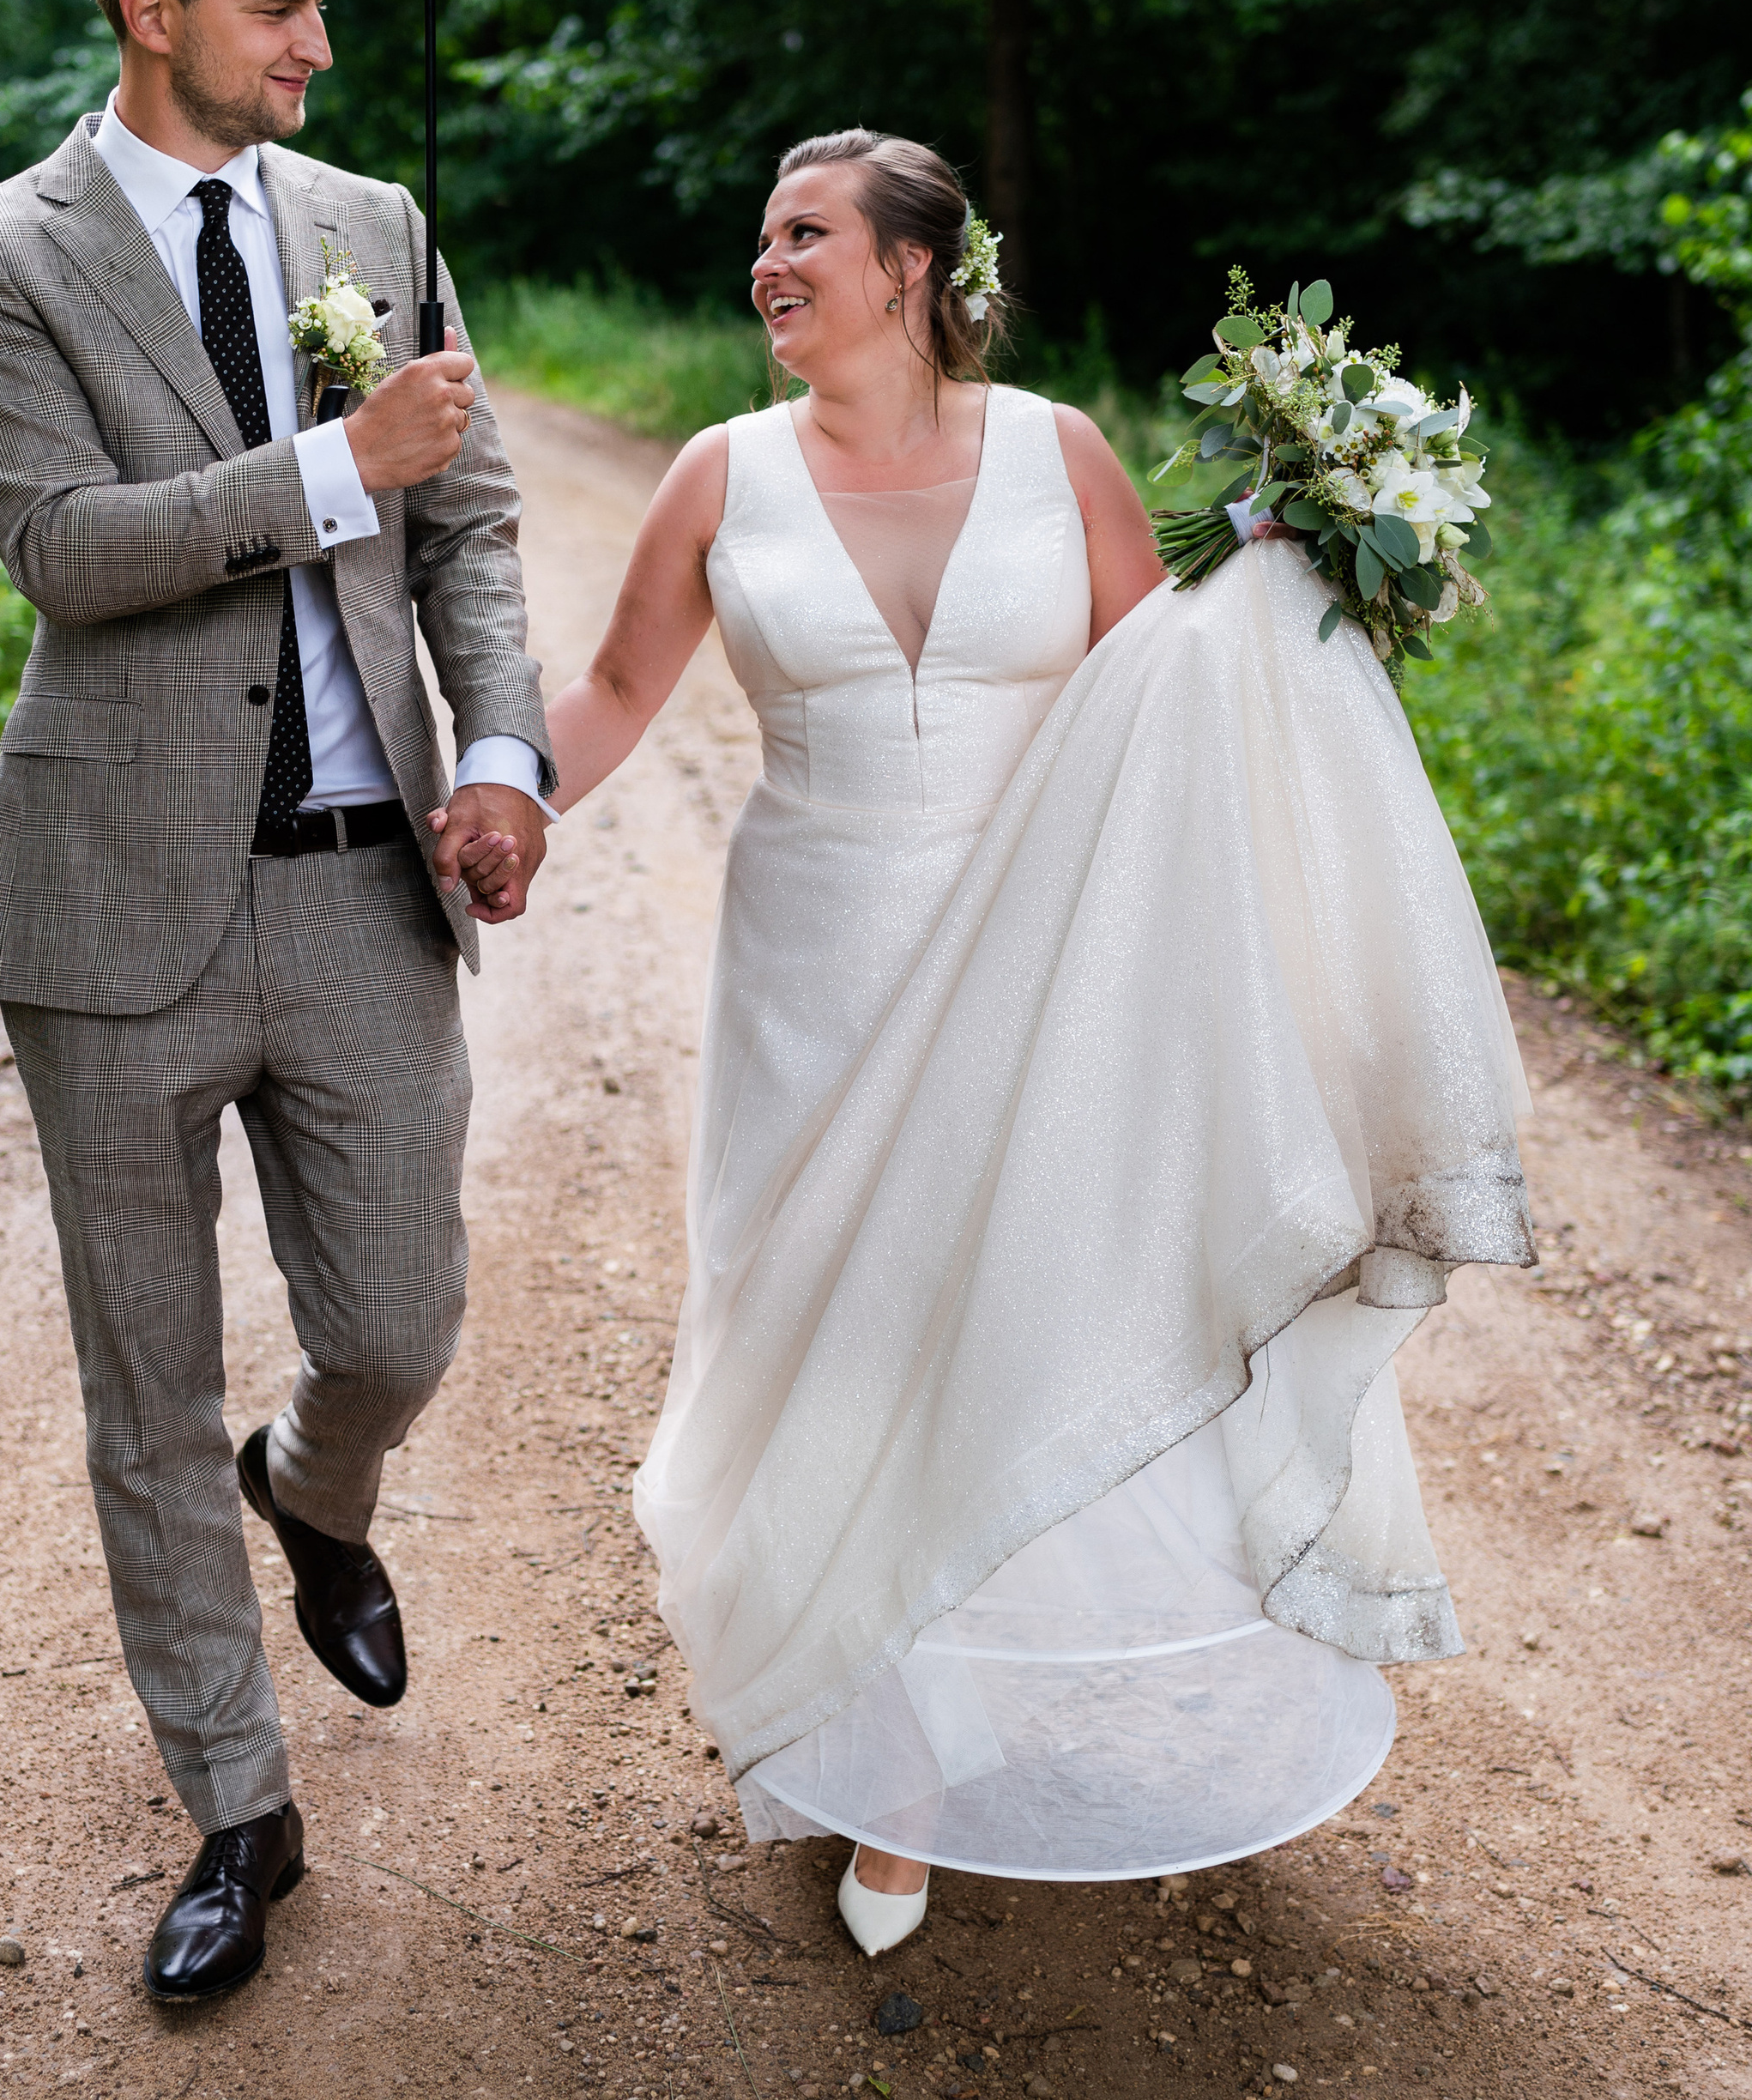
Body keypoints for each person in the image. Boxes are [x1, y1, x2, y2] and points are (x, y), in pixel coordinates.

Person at [464, 127, 1532, 1954]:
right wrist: (502, 795)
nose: (764, 263)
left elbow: (1158, 689)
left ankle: (959, 1738)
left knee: (1019, 1313)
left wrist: (1288, 576)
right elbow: (618, 688)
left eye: (801, 233)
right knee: (841, 1337)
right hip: (810, 965)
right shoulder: (719, 474)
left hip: (1039, 957)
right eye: (758, 237)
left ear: (906, 269)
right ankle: (889, 1759)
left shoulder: (1061, 452)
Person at [0, 0, 554, 2005]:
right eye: (277, 4)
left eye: (325, 1)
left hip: (365, 885)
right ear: (149, 9)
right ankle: (235, 1801)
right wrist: (329, 465)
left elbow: (468, 521)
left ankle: (321, 1481)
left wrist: (501, 756)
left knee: (395, 1322)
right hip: (112, 906)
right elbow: (65, 550)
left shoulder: (380, 225)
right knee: (143, 1382)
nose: (318, 39)